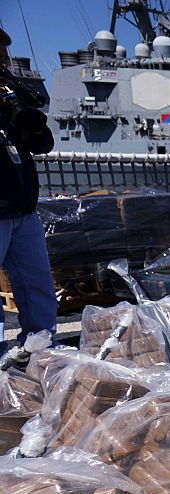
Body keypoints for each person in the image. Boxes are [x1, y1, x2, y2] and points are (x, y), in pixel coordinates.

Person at [0, 27, 57, 353]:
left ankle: (42, 352)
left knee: (37, 287)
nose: (5, 67)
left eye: (5, 60)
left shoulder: (8, 100)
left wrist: (17, 112)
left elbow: (42, 143)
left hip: (22, 211)